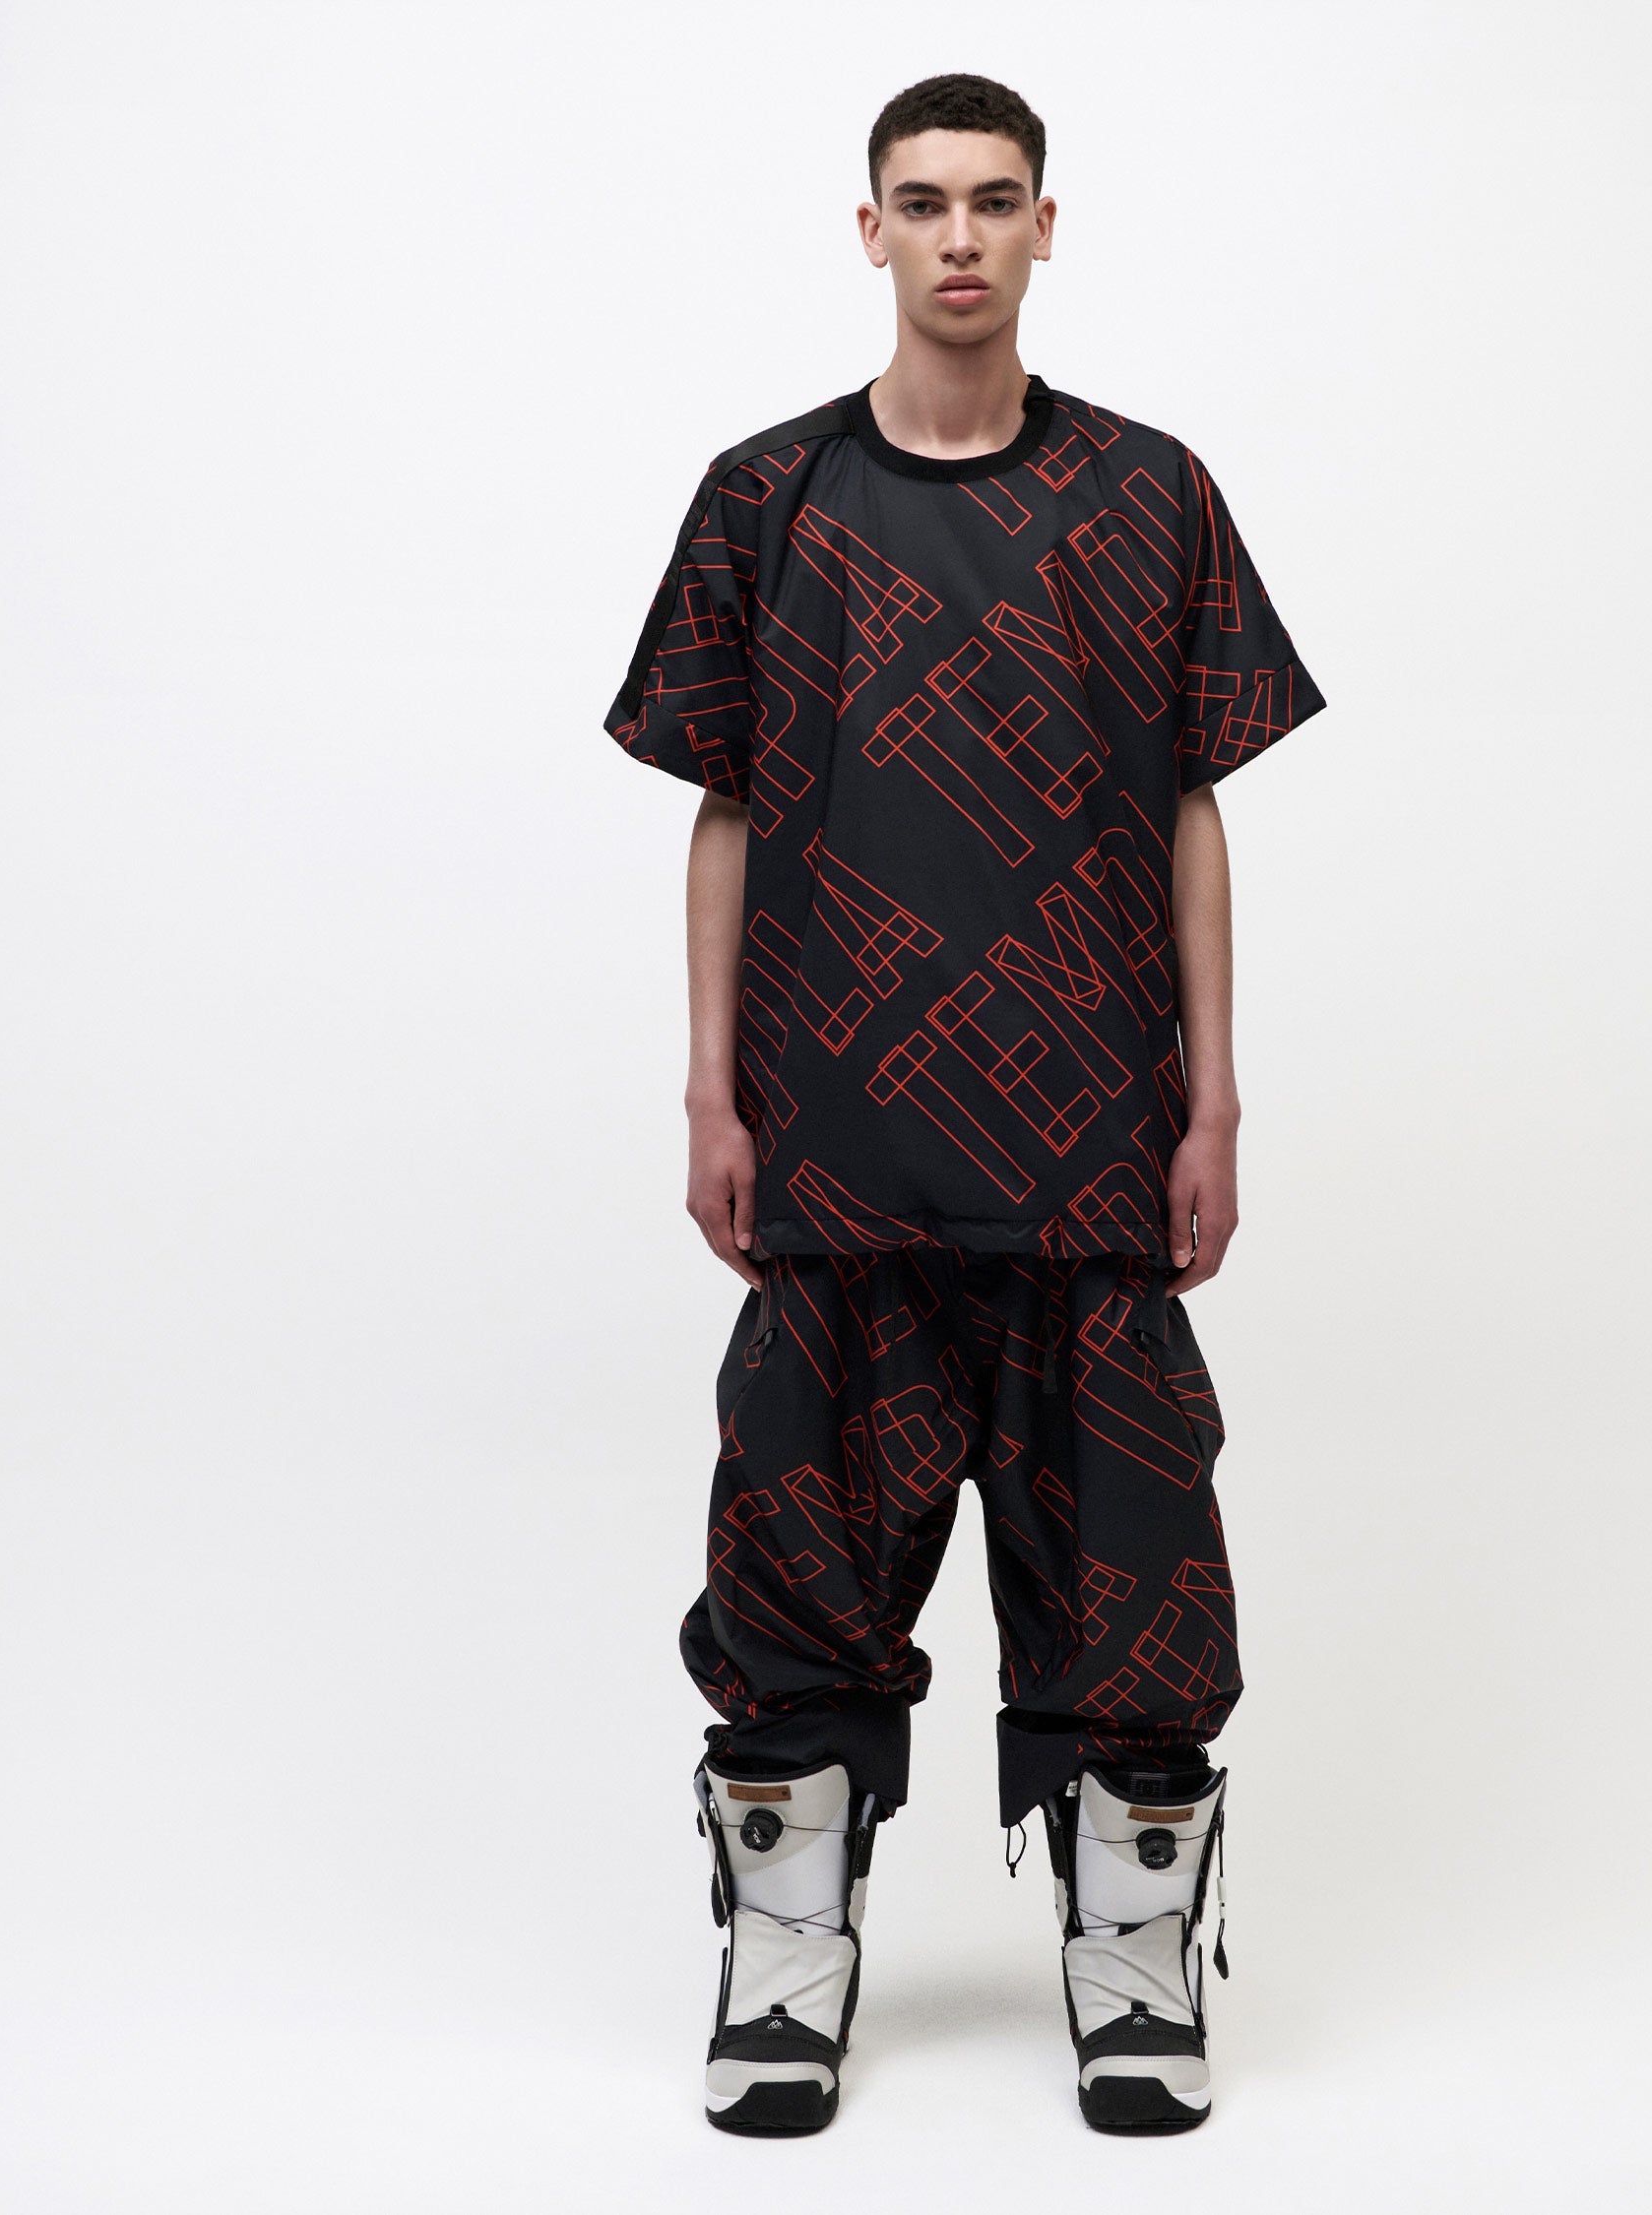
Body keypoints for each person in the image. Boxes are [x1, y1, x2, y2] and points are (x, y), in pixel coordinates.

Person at [601, 70, 1323, 2137]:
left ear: (1045, 227)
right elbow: (728, 807)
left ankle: (1132, 1965)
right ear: (870, 231)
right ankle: (787, 1963)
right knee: (793, 1556)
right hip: (836, 1138)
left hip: (1091, 1134)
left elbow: (1189, 810)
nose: (959, 238)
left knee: (1137, 1568)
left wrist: (1216, 1104)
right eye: (921, 202)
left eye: (995, 201)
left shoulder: (1149, 495)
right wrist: (709, 1089)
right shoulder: (768, 498)